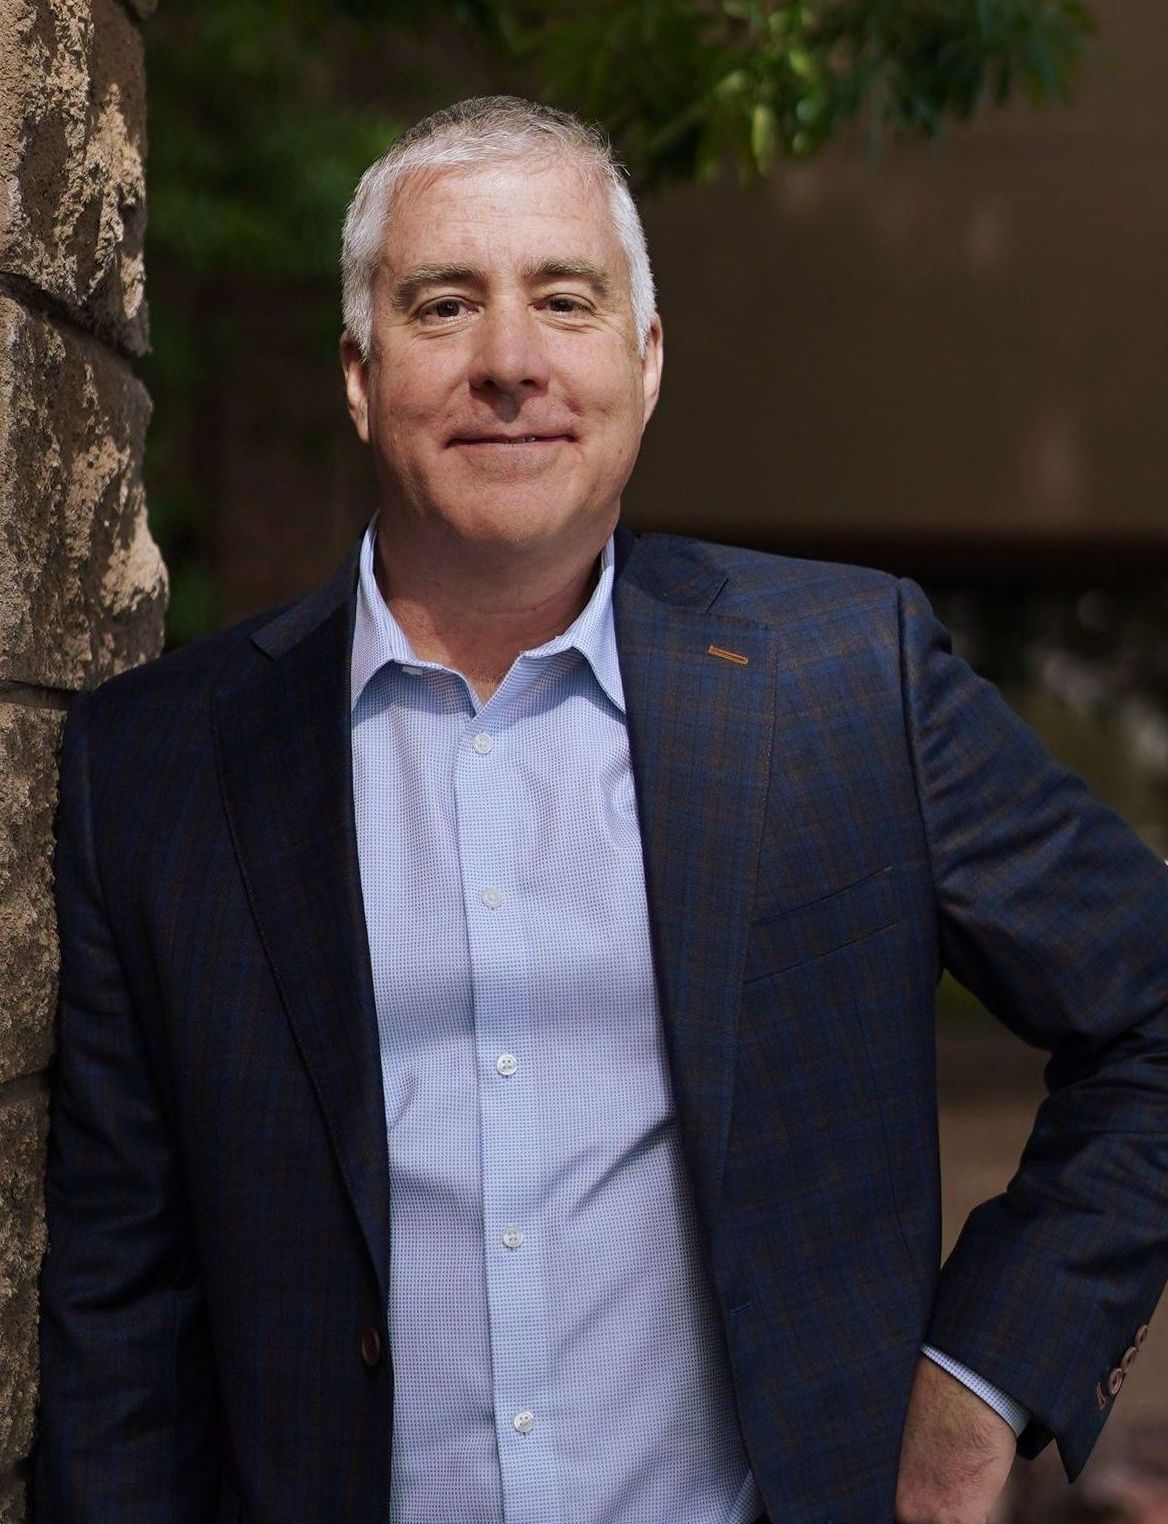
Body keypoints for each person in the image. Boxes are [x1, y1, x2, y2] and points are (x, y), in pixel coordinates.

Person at [35, 96, 1168, 1524]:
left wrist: (986, 1376)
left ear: (643, 361)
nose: (510, 364)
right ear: (357, 373)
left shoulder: (845, 681)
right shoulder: (157, 769)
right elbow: (121, 1314)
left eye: (564, 301)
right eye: (444, 305)